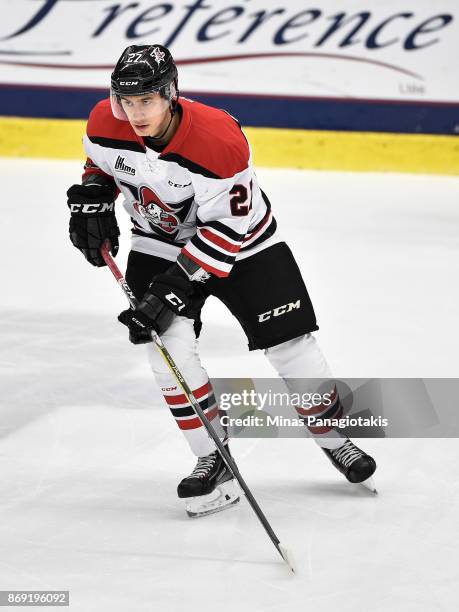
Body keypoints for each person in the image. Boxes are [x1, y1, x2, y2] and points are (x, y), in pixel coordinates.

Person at [66, 44, 377, 517]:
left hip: (245, 243)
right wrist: (93, 196)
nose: (134, 113)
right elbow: (104, 168)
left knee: (291, 344)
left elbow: (226, 230)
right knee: (165, 345)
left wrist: (174, 287)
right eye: (126, 102)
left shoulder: (217, 139)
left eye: (145, 101)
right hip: (159, 241)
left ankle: (331, 434)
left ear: (170, 93)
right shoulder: (103, 123)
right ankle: (214, 456)